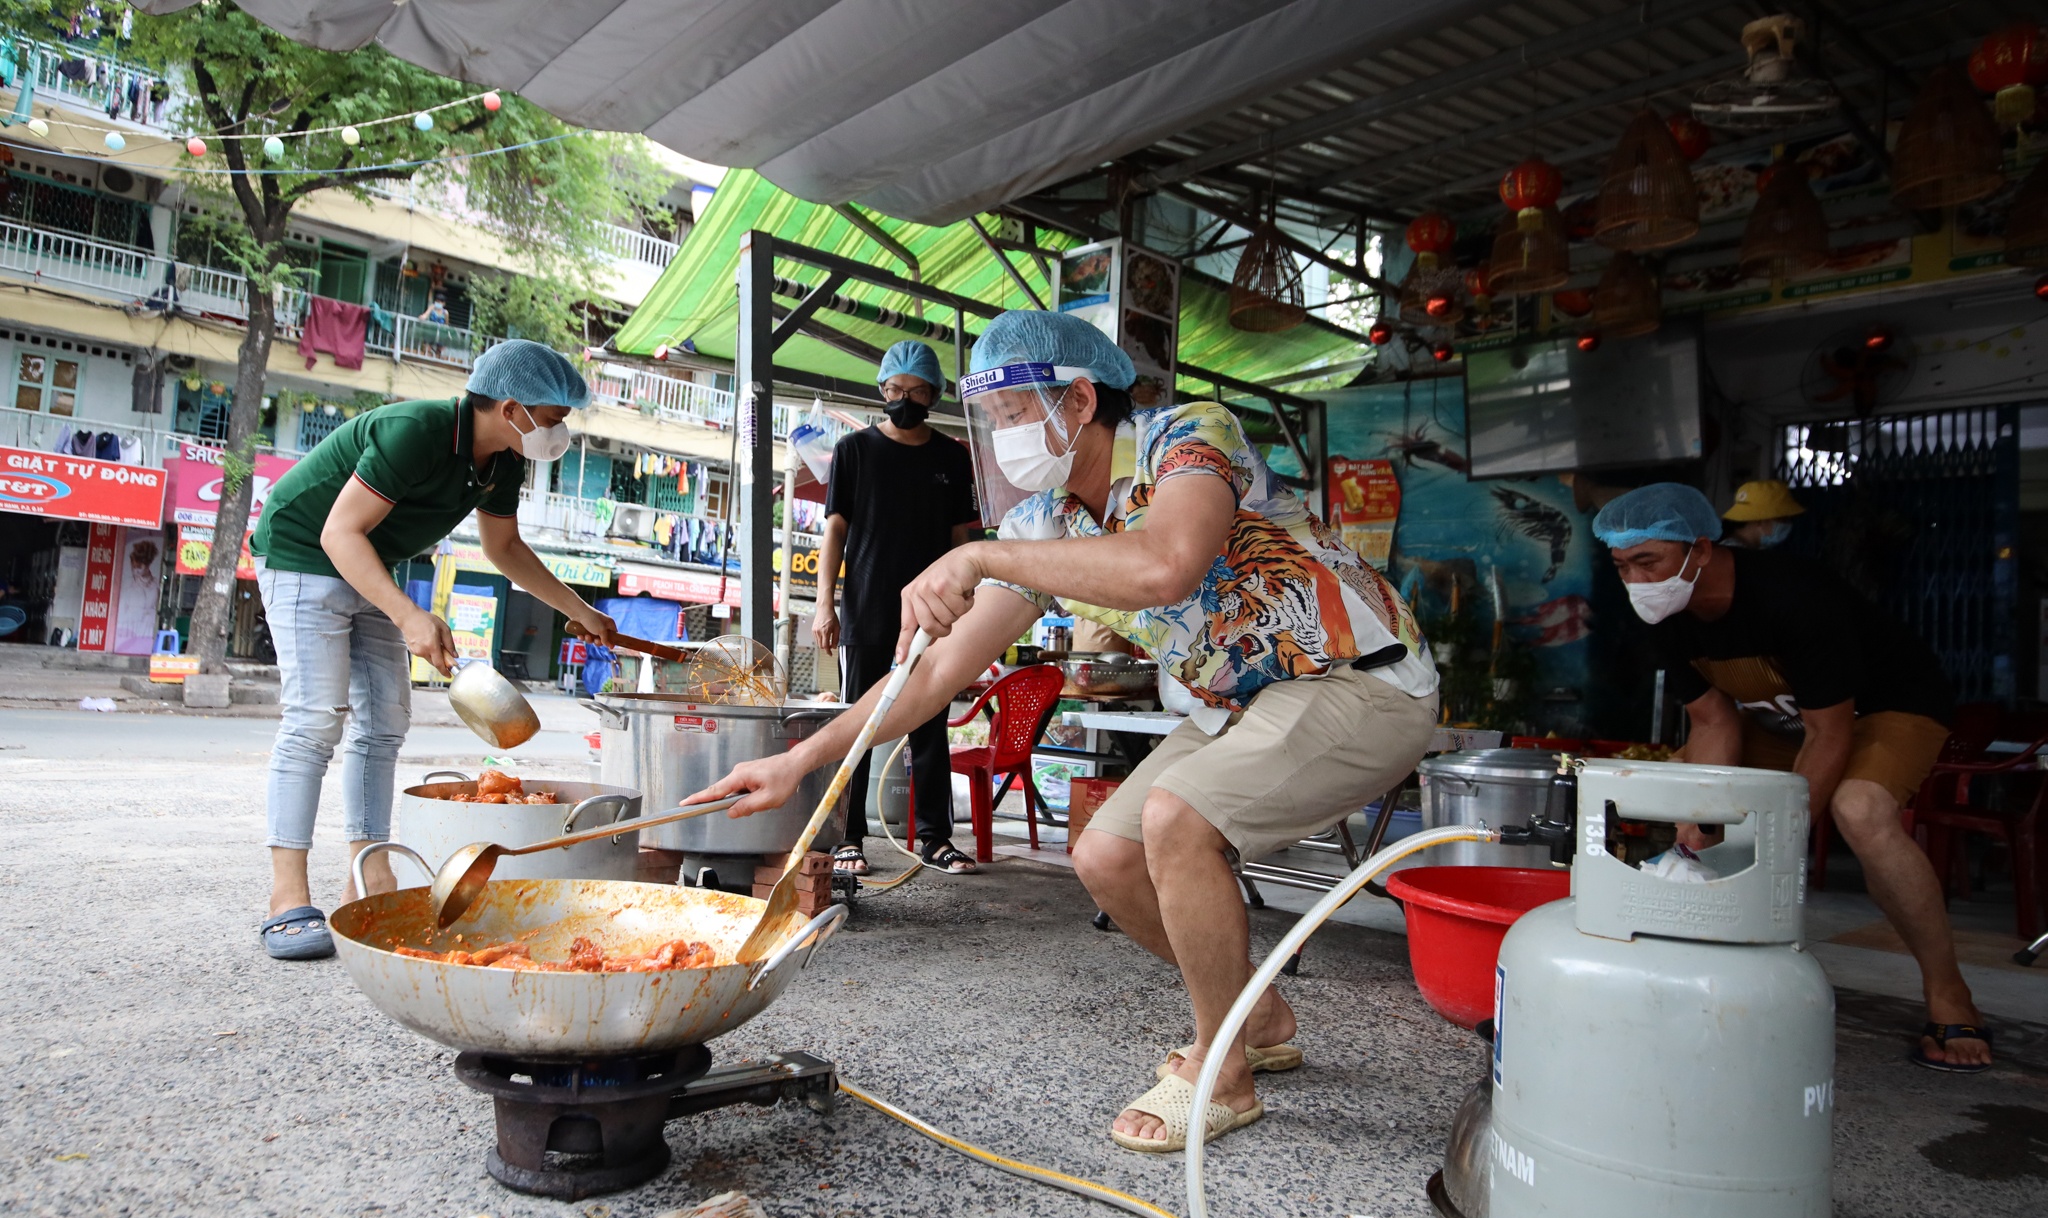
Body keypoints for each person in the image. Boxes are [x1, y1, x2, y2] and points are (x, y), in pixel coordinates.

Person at [699, 311, 1439, 1151]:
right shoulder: (1046, 521)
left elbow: (1167, 563)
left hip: (1358, 676)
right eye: (992, 420)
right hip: (1243, 702)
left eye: (1014, 413)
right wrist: (798, 760)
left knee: (1177, 819)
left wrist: (980, 556)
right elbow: (934, 675)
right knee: (1107, 855)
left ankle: (1223, 1068)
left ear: (1080, 400)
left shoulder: (1188, 436)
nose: (1002, 437)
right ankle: (1257, 1014)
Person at [1595, 483, 1989, 1072]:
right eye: (1623, 566)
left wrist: (1780, 843)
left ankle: (1949, 991)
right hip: (1781, 718)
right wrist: (1702, 819)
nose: (1637, 581)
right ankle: (1679, 975)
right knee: (1669, 791)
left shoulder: (1795, 595)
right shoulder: (1666, 614)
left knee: (1860, 809)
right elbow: (1713, 722)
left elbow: (1829, 734)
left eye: (1648, 561)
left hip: (1883, 707)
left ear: (1700, 549)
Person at [249, 340, 617, 961]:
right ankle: (287, 898)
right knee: (315, 719)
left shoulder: (504, 460)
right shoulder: (416, 432)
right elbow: (339, 532)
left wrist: (579, 610)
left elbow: (504, 549)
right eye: (554, 418)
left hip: (369, 560)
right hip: (304, 551)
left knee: (384, 724)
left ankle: (370, 877)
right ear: (511, 408)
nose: (559, 432)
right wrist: (408, 615)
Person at [810, 340, 981, 877]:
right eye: (895, 389)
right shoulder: (854, 451)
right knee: (859, 721)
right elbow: (834, 531)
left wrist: (967, 610)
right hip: (867, 608)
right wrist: (824, 604)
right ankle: (847, 837)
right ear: (882, 390)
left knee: (930, 722)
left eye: (917, 391)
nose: (905, 399)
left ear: (934, 394)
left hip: (934, 612)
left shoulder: (952, 457)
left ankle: (934, 839)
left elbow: (961, 539)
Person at [1720, 478, 1805, 549]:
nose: (1788, 524)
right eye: (1783, 519)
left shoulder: (1747, 549)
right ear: (1760, 520)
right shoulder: (1733, 554)